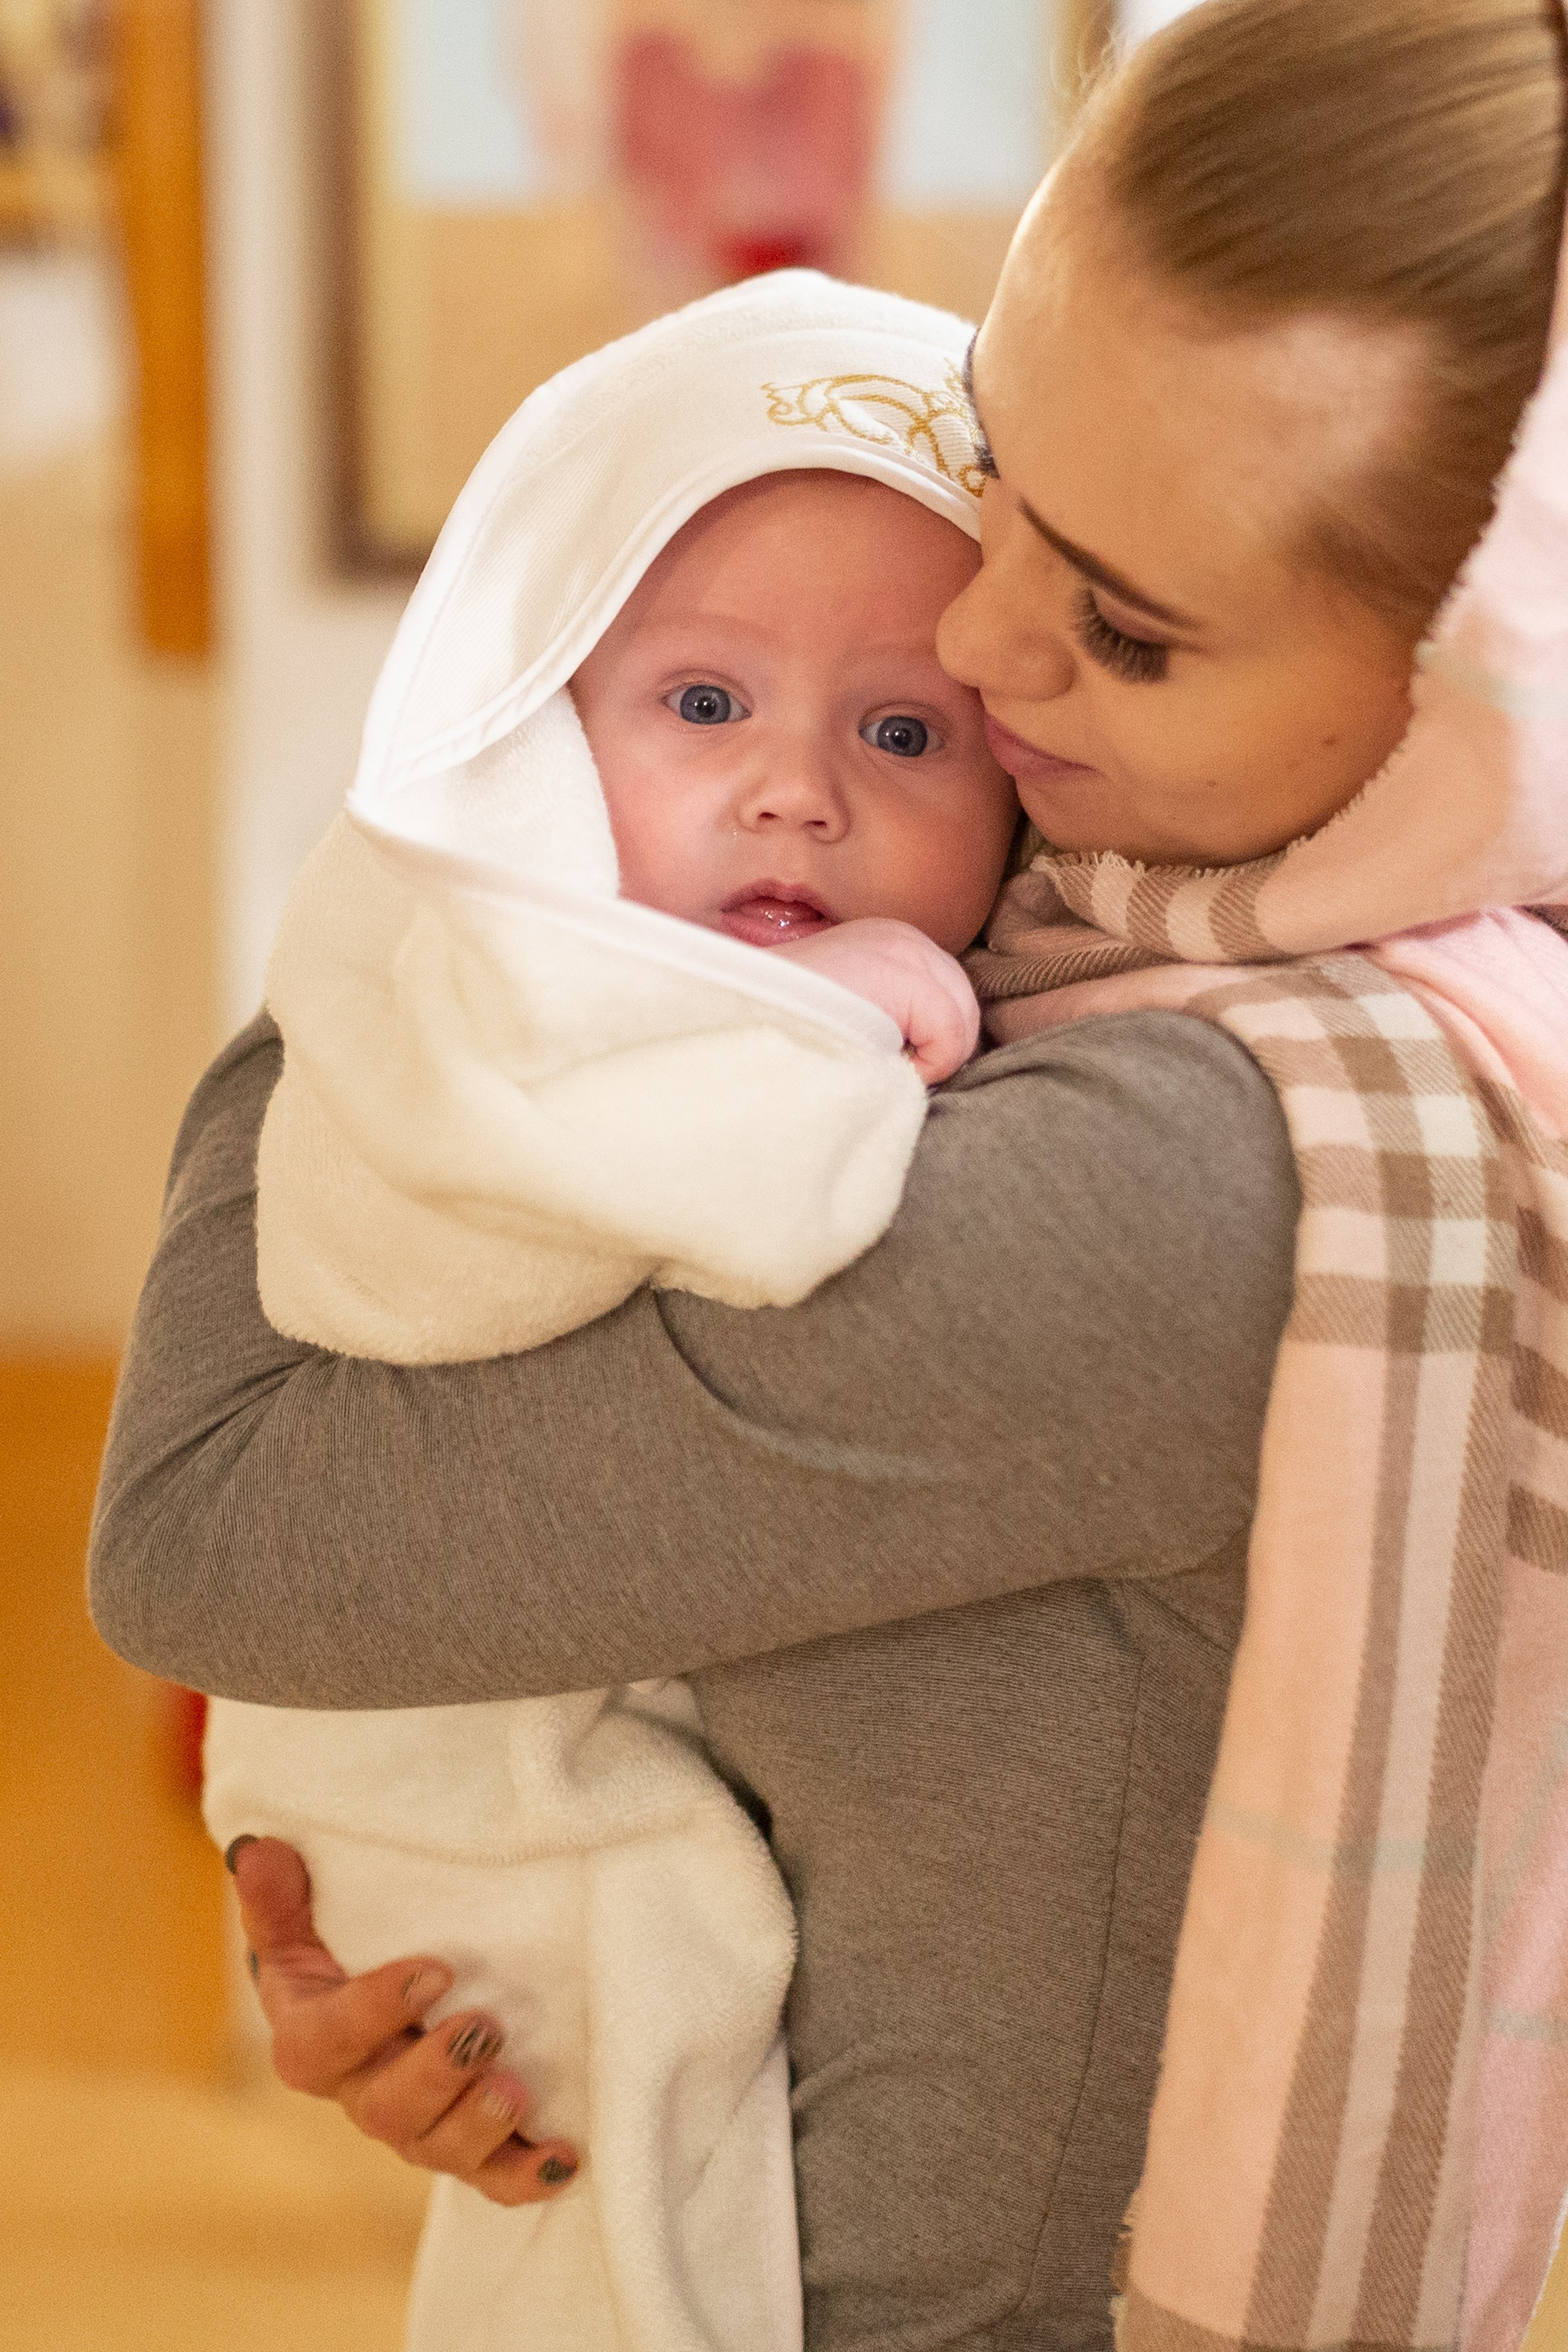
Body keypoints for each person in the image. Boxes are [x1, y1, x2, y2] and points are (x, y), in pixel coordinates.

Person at [91, 0, 1568, 2352]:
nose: (980, 646)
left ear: (1526, 701)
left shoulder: (1229, 1173)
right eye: (1001, 471)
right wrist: (482, 1928)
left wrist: (450, 875)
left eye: (1124, 621)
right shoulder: (1187, 894)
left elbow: (212, 1524)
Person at [204, 273, 1017, 2352]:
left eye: (904, 732)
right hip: (458, 1756)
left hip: (579, 1718)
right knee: (629, 2143)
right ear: (544, 714)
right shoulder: (479, 968)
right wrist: (803, 1047)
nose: (799, 795)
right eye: (704, 704)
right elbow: (548, 1238)